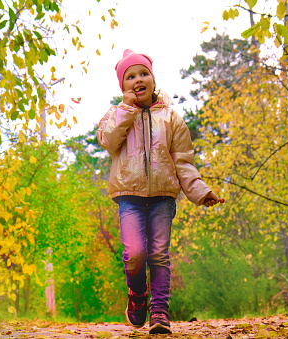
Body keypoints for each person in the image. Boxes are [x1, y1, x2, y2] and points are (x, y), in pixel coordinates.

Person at [97, 49, 223, 334]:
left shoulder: (171, 118)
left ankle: (160, 313)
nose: (138, 80)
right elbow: (108, 140)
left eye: (143, 74)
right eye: (130, 77)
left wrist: (202, 192)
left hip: (163, 196)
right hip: (128, 195)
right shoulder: (114, 115)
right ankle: (138, 294)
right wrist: (126, 110)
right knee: (135, 253)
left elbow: (184, 161)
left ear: (153, 80)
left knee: (158, 254)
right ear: (123, 86)